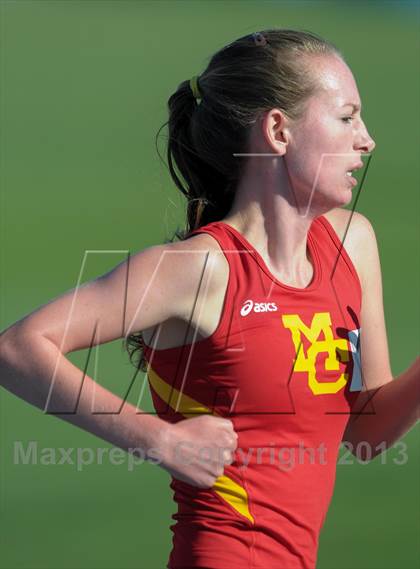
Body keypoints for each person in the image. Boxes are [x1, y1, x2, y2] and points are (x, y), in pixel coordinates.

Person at [0, 28, 418, 569]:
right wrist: (156, 439)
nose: (367, 139)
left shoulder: (352, 244)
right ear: (278, 130)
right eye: (346, 117)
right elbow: (18, 347)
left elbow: (365, 430)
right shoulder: (199, 268)